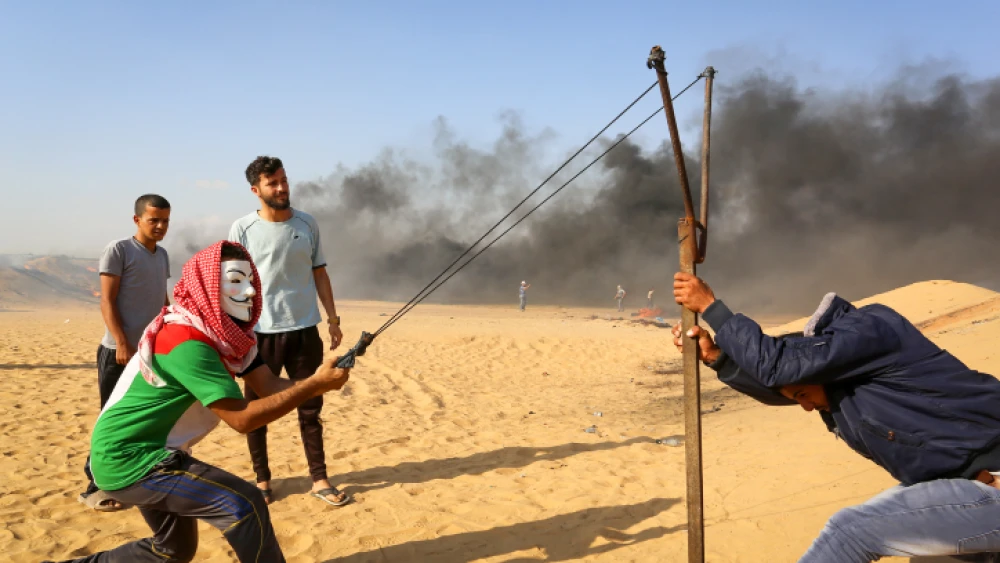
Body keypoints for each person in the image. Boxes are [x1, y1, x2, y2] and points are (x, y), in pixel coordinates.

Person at [47, 241, 352, 563]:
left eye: (251, 281)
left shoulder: (228, 340)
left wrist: (319, 382)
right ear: (207, 286)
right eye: (235, 281)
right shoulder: (187, 341)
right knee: (243, 504)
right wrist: (313, 386)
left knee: (172, 550)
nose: (249, 292)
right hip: (130, 460)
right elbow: (243, 420)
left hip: (146, 453)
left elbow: (268, 385)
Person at [672, 272, 1000, 562]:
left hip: (991, 485)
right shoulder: (850, 384)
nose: (806, 407)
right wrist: (718, 357)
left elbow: (780, 369)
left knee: (850, 531)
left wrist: (711, 307)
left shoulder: (873, 330)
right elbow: (782, 384)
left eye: (802, 395)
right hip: (964, 488)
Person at [229, 155, 350, 508]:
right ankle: (263, 480)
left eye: (283, 180)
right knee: (257, 409)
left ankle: (319, 479)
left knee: (310, 406)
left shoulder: (307, 224)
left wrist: (333, 318)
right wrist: (237, 333)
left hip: (304, 330)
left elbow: (320, 273)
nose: (282, 188)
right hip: (259, 334)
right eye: (272, 183)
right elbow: (235, 284)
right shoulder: (241, 229)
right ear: (256, 190)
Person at [79, 194, 172, 512]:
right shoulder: (118, 249)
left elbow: (163, 301)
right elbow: (107, 300)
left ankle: (131, 480)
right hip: (118, 353)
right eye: (153, 220)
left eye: (165, 221)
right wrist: (121, 342)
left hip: (150, 355)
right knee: (111, 420)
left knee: (143, 419)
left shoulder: (162, 256)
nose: (160, 226)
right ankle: (94, 487)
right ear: (137, 220)